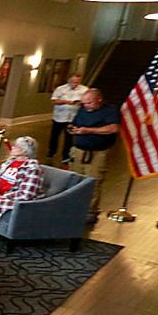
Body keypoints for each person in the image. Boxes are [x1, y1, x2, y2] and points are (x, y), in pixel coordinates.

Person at [0, 136, 44, 246]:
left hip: (17, 200)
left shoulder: (32, 168)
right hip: (0, 195)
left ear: (25, 151)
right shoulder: (9, 162)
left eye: (16, 147)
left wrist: (3, 196)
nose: (12, 148)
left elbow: (26, 194)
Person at [68, 88, 120, 222]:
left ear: (99, 100)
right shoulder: (82, 109)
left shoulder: (110, 111)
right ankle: (73, 206)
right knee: (75, 180)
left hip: (97, 152)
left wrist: (89, 130)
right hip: (79, 151)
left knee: (93, 182)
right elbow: (75, 123)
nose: (86, 106)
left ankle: (90, 211)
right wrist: (73, 129)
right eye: (84, 103)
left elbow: (113, 128)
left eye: (89, 103)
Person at [49, 74, 88, 163]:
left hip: (73, 118)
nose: (75, 83)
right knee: (54, 136)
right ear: (69, 80)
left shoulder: (84, 90)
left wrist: (81, 103)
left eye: (77, 82)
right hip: (59, 117)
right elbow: (54, 100)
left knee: (69, 138)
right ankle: (51, 152)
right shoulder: (60, 89)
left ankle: (66, 156)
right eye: (73, 82)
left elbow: (86, 102)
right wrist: (66, 102)